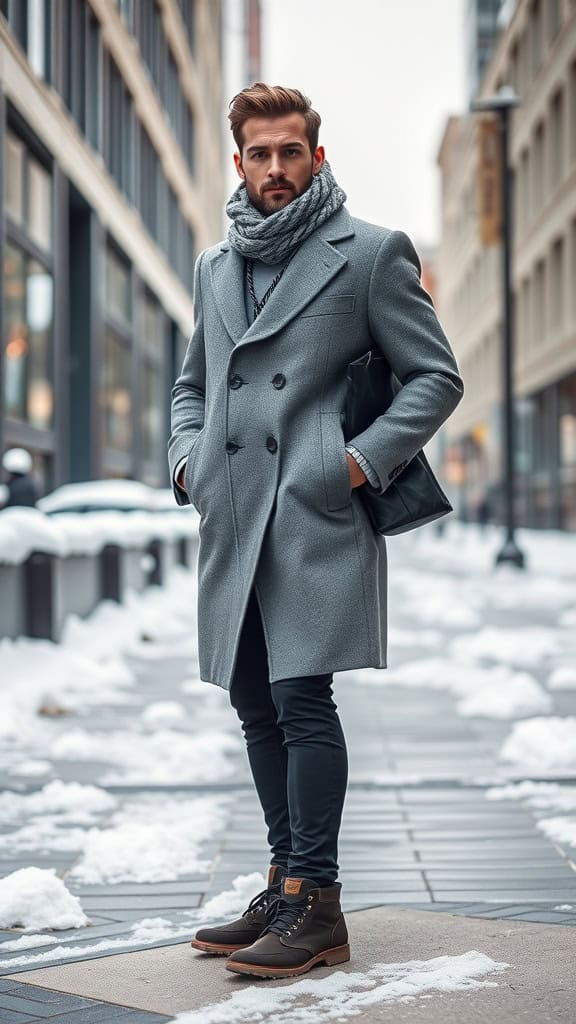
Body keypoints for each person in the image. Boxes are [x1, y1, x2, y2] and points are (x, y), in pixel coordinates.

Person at [168, 83, 464, 979]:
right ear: (239, 163)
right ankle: (281, 881)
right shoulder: (214, 268)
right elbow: (191, 387)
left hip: (312, 516)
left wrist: (354, 463)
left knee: (302, 701)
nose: (275, 170)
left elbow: (435, 377)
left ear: (317, 156)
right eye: (258, 155)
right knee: (253, 700)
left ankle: (316, 903)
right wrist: (189, 463)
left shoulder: (369, 255)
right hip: (235, 516)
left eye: (289, 152)